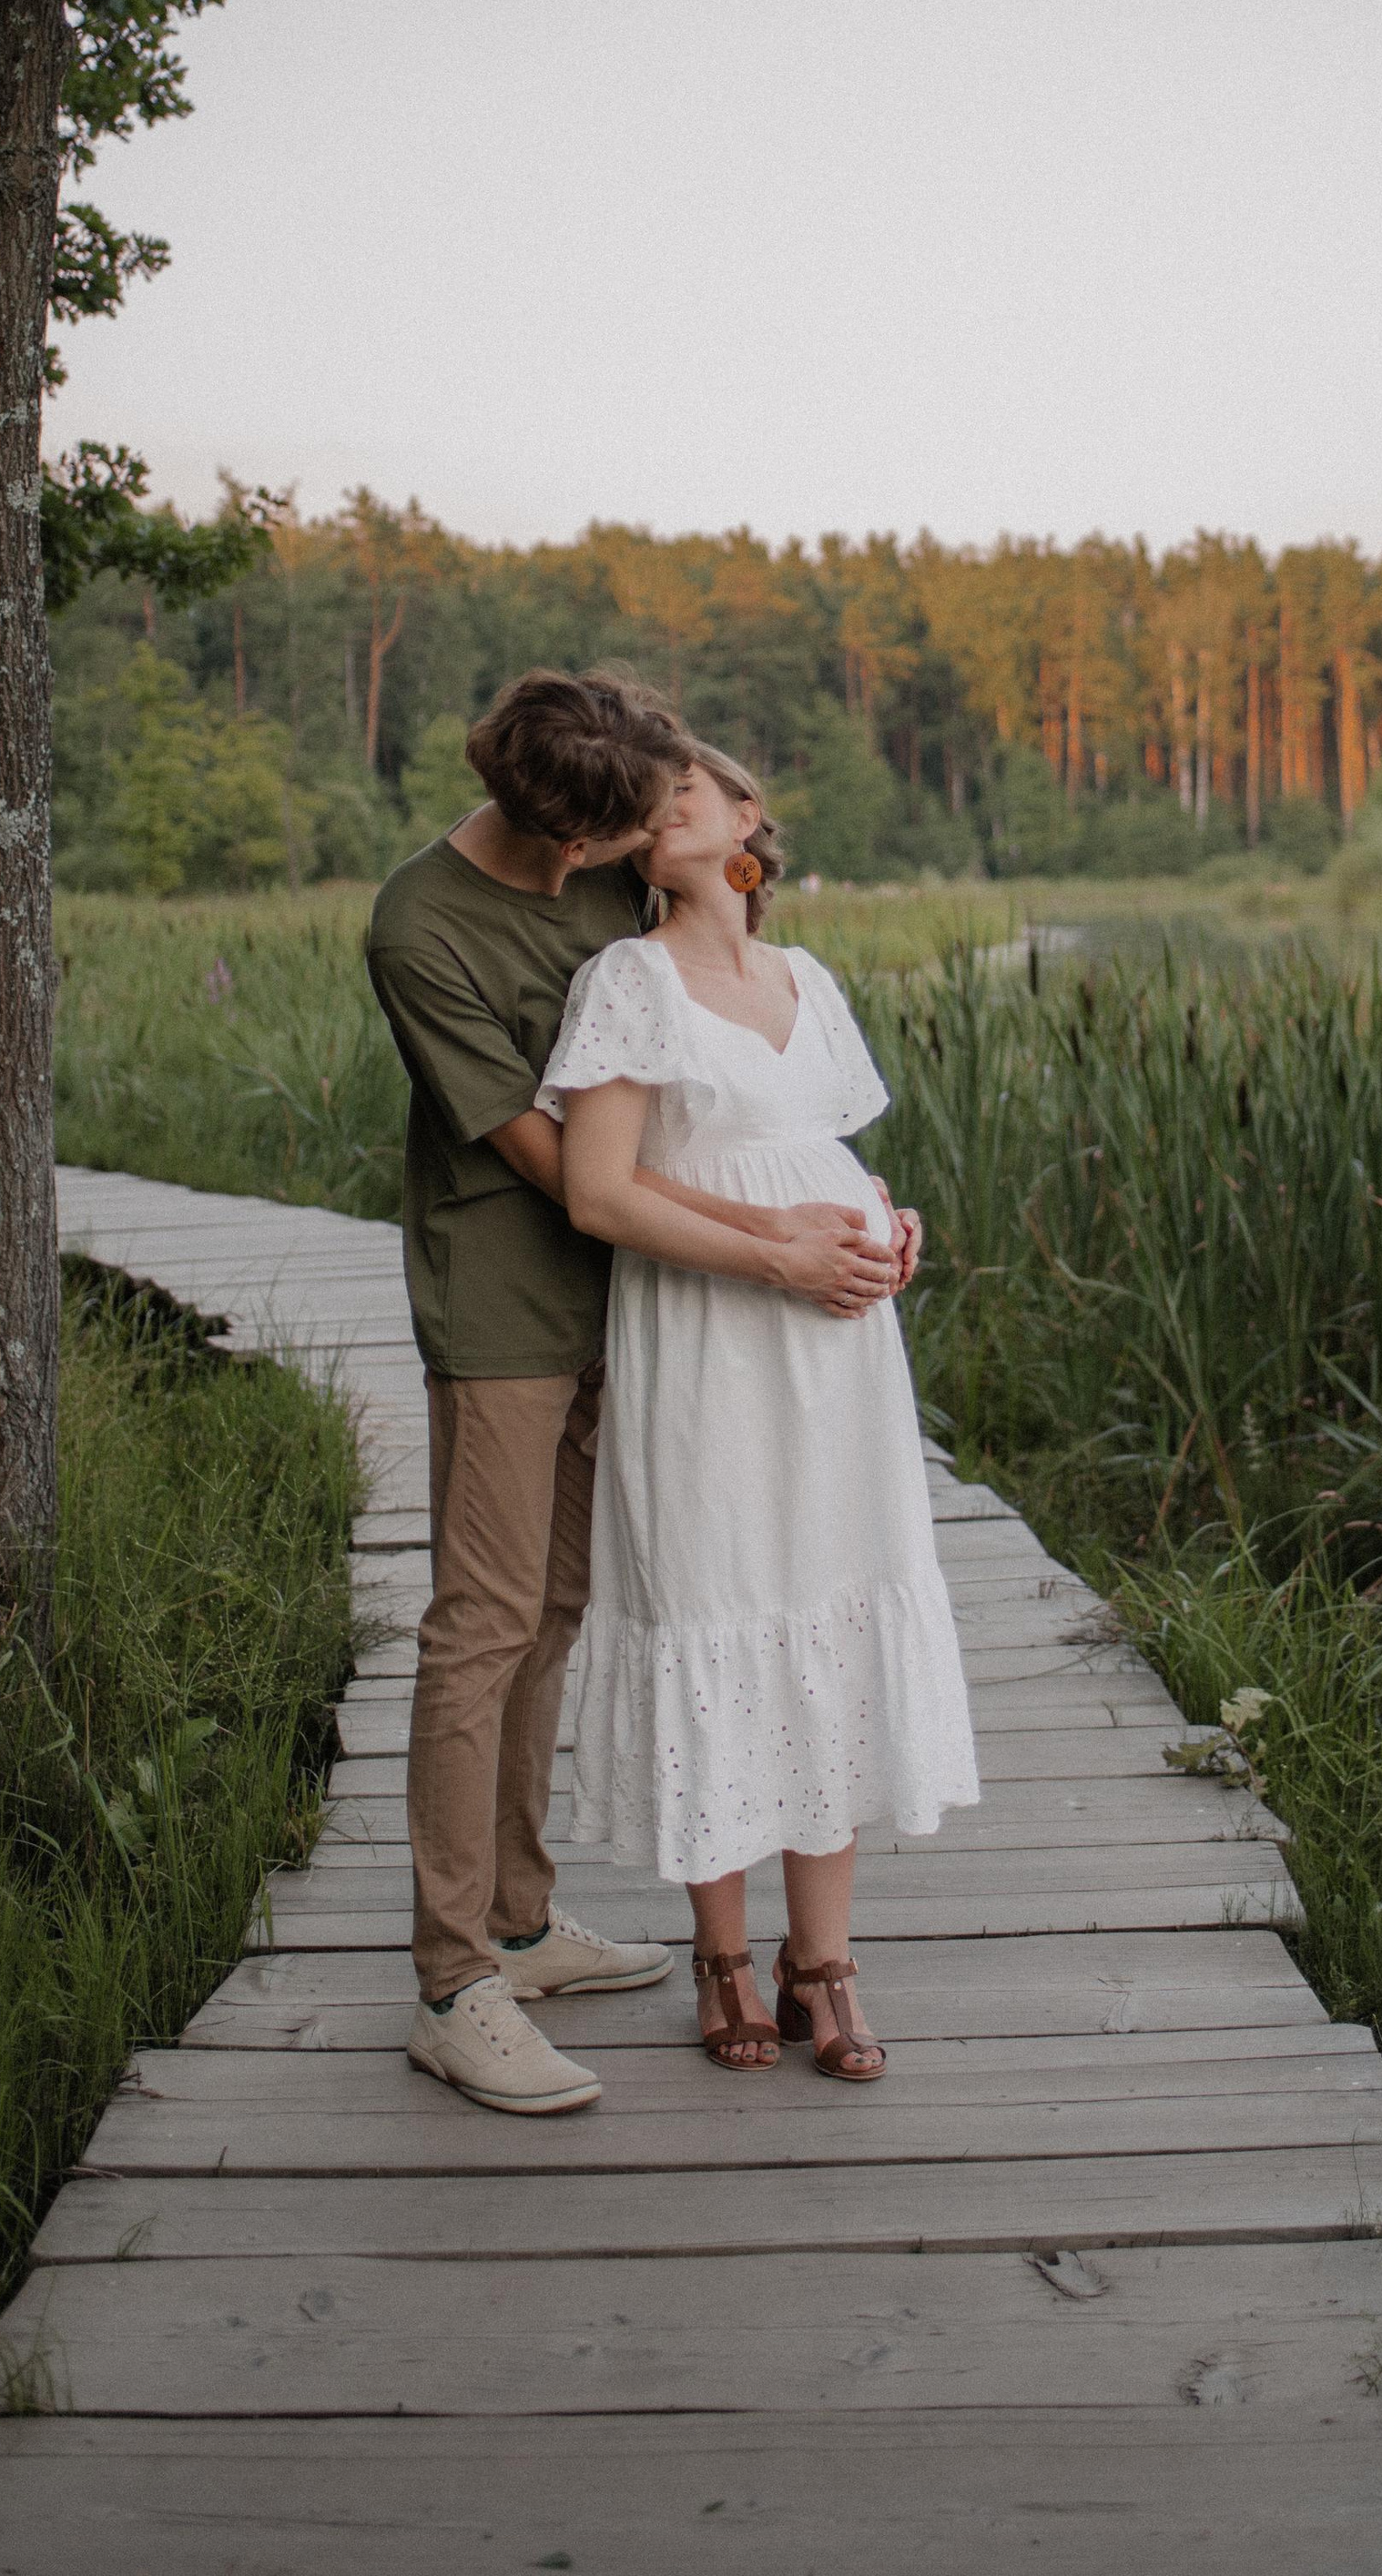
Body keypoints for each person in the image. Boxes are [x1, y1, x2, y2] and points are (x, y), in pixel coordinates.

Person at [366, 670, 893, 2118]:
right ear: (563, 826)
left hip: (664, 1313)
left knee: (563, 1605)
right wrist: (764, 1242)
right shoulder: (422, 925)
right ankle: (453, 1977)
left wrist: (821, 1220)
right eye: (605, 838)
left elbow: (730, 1075)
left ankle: (524, 1924)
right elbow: (556, 1163)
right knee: (482, 1619)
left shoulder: (615, 860)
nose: (618, 856)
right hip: (513, 1299)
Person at [536, 745, 981, 2082]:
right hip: (708, 1338)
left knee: (834, 1603)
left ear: (747, 819)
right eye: (647, 790)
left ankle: (823, 1960)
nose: (670, 793)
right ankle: (723, 1956)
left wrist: (886, 1223)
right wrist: (778, 1253)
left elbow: (822, 1151)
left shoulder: (812, 984)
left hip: (839, 1354)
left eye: (696, 780)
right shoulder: (627, 980)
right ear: (629, 846)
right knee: (719, 1600)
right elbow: (601, 1192)